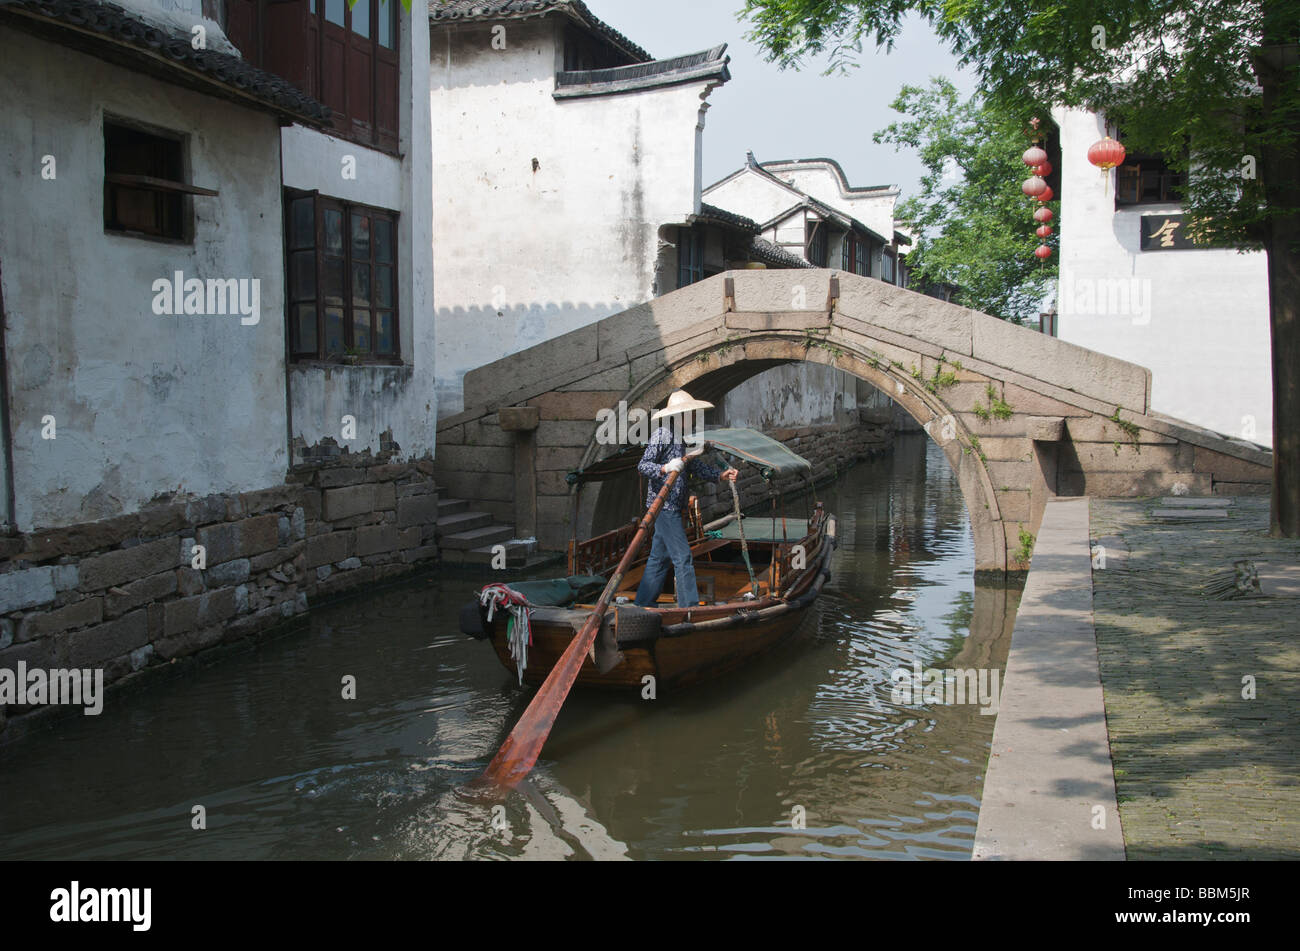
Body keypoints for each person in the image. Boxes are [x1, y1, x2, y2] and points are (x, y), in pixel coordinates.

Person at [634, 390, 738, 608]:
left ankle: (643, 603)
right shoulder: (662, 434)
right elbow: (643, 465)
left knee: (659, 558)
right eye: (690, 413)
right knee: (683, 558)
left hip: (674, 506)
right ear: (679, 415)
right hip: (664, 506)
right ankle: (689, 608)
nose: (693, 417)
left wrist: (719, 475)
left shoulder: (680, 437)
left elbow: (693, 465)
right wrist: (664, 468)